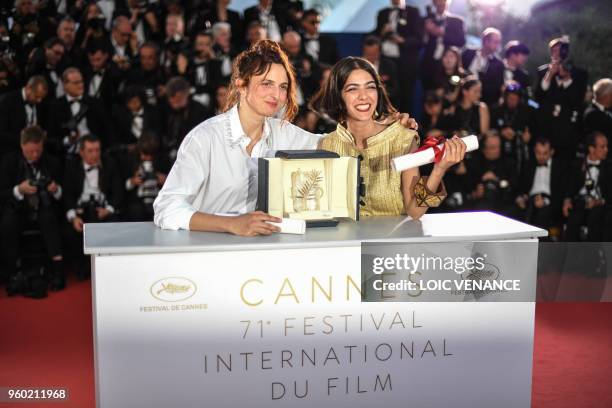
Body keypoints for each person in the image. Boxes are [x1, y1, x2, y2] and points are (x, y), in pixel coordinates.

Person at [153, 40, 418, 235]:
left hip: (266, 252)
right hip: (205, 251)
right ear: (241, 85)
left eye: (282, 87)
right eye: (266, 84)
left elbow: (335, 143)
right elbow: (167, 209)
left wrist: (387, 127)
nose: (276, 95)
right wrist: (232, 224)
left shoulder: (282, 132)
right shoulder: (205, 138)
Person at [310, 56, 466, 217]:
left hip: (390, 240)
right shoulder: (328, 145)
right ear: (338, 96)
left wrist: (439, 170)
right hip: (345, 241)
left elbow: (415, 211)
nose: (364, 96)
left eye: (370, 87)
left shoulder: (402, 139)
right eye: (352, 89)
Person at [0, 125, 65, 290]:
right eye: (30, 152)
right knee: (8, 222)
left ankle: (58, 270)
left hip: (44, 207)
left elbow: (65, 194)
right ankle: (12, 272)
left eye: (38, 150)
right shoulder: (8, 161)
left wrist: (55, 189)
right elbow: (2, 192)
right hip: (18, 208)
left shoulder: (52, 161)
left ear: (42, 145)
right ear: (22, 146)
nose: (35, 155)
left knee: (49, 218)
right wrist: (19, 189)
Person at [0, 75, 48, 157]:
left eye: (41, 98)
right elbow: (1, 132)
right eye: (36, 97)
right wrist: (24, 140)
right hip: (11, 154)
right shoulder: (7, 101)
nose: (39, 101)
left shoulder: (40, 104)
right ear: (28, 88)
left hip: (35, 155)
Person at [462, 27, 504, 107]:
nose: (498, 45)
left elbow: (497, 88)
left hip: (481, 102)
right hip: (462, 94)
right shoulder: (468, 52)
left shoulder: (498, 64)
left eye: (498, 42)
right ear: (486, 41)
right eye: (495, 42)